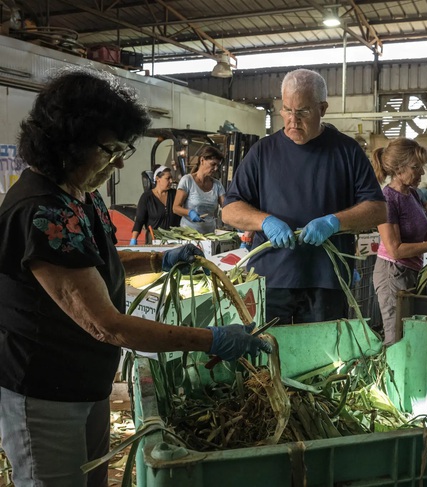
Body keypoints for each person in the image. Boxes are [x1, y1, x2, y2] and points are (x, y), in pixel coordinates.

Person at [0, 69, 271, 487]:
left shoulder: (79, 196)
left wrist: (157, 261)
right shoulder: (40, 211)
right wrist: (210, 339)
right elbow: (107, 325)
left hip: (84, 384)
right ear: (69, 142)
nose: (121, 161)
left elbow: (94, 263)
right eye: (111, 149)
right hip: (44, 392)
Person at [222, 68, 386, 324]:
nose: (292, 120)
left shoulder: (346, 151)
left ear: (322, 108)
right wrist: (264, 221)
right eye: (287, 109)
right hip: (271, 280)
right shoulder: (263, 152)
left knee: (324, 358)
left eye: (303, 111)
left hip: (326, 282)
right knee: (268, 355)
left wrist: (334, 222)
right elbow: (230, 208)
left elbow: (377, 209)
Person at [370, 138, 427, 345]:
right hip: (392, 274)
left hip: (411, 272)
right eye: (416, 167)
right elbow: (395, 250)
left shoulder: (413, 194)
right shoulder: (388, 199)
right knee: (395, 337)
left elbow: (426, 233)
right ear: (398, 168)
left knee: (410, 334)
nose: (421, 172)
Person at [173, 145, 226, 235]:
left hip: (209, 235)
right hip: (189, 234)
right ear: (202, 160)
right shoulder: (187, 180)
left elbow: (226, 207)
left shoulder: (217, 185)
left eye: (218, 165)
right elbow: (175, 208)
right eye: (213, 164)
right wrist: (189, 212)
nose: (216, 169)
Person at [129, 165, 181, 244]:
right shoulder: (147, 197)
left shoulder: (175, 194)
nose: (171, 181)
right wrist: (133, 239)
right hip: (154, 240)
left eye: (171, 178)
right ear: (157, 179)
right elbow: (139, 221)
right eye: (168, 178)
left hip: (173, 239)